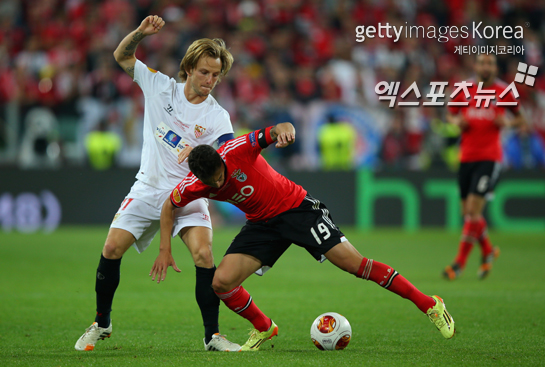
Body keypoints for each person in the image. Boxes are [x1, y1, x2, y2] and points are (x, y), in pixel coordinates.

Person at [151, 122, 456, 351]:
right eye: (213, 180)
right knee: (221, 282)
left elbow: (280, 128)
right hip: (262, 224)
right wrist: (165, 247)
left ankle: (430, 304)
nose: (219, 181)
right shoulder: (195, 184)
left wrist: (287, 132)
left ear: (220, 159)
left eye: (220, 173)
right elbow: (169, 206)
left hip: (297, 209)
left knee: (355, 264)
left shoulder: (236, 150)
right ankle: (264, 327)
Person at [75, 15, 241, 352]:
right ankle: (102, 322)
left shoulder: (217, 116)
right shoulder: (160, 86)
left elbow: (227, 160)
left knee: (204, 254)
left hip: (189, 193)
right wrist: (139, 33)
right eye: (205, 72)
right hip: (148, 187)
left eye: (216, 74)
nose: (210, 80)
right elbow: (122, 57)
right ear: (190, 68)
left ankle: (213, 336)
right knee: (110, 249)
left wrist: (203, 155)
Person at [443, 54, 526, 280]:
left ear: (495, 67)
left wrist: (507, 123)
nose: (485, 66)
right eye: (482, 63)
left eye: (489, 63)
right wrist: (457, 122)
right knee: (467, 213)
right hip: (466, 157)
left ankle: (458, 264)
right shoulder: (464, 90)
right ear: (476, 66)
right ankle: (489, 251)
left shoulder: (504, 92)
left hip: (489, 158)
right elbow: (450, 115)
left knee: (472, 211)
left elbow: (521, 119)